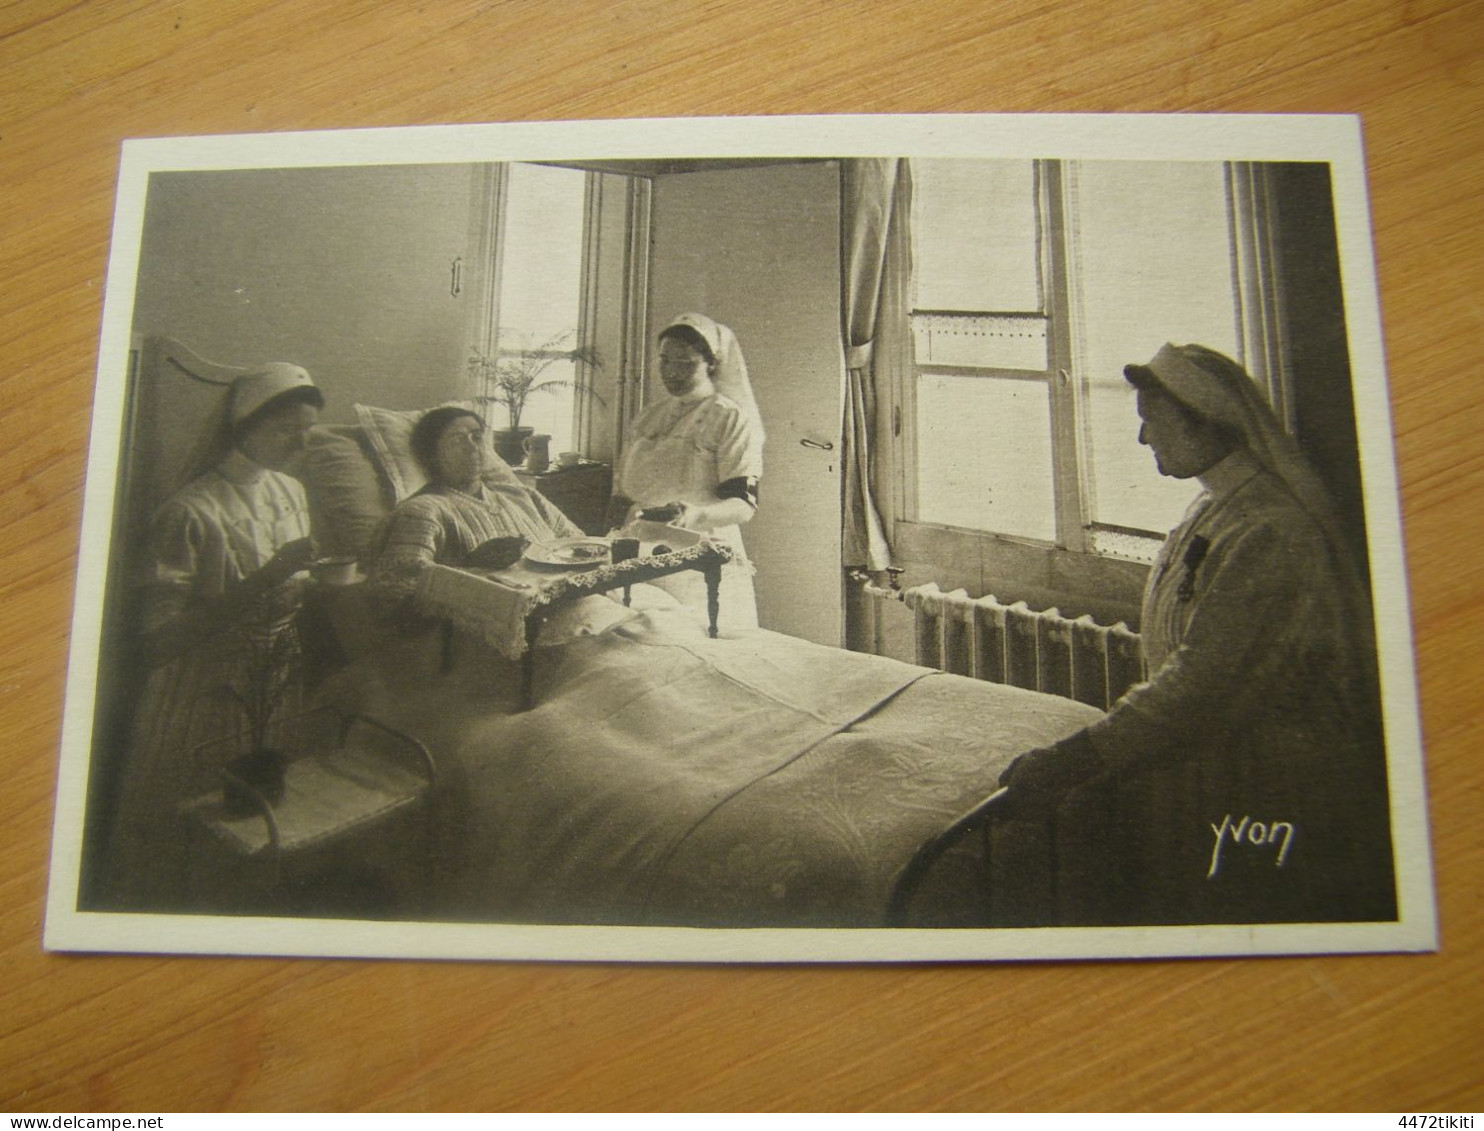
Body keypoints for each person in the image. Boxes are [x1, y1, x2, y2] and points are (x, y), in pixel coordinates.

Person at [996, 343, 1395, 926]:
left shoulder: (1269, 531)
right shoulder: (1215, 507)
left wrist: (1070, 760)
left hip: (1268, 780)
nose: (1142, 440)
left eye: (1150, 421)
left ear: (1201, 422)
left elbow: (1203, 684)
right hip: (1216, 759)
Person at [103, 363, 324, 909]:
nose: (301, 443)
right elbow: (156, 645)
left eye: (308, 430)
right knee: (197, 849)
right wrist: (268, 577)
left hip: (275, 685)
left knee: (267, 836)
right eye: (287, 429)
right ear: (245, 426)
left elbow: (292, 589)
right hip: (202, 694)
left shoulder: (292, 491)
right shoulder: (188, 512)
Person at [609, 313, 764, 631]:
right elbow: (621, 491)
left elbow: (743, 506)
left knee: (701, 640)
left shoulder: (729, 419)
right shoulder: (648, 417)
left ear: (711, 364)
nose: (672, 372)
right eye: (665, 361)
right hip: (640, 546)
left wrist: (697, 515)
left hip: (700, 552)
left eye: (686, 363)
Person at [371, 405, 585, 603]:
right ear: (431, 456)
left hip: (580, 609)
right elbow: (395, 595)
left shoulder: (523, 496)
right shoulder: (422, 511)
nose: (471, 447)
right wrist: (471, 566)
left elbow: (582, 548)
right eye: (456, 440)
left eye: (477, 437)